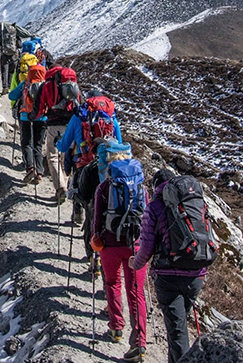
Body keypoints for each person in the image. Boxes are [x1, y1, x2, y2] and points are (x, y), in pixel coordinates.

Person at [129, 169, 209, 363]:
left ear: (156, 186)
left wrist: (136, 263)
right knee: (177, 328)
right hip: (196, 273)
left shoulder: (155, 206)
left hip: (168, 276)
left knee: (177, 332)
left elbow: (146, 246)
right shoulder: (194, 203)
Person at [90, 146, 148, 362]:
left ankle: (116, 327)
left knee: (112, 283)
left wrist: (96, 240)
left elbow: (96, 219)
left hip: (110, 244)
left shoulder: (104, 187)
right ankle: (140, 342)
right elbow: (148, 219)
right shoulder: (142, 188)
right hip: (136, 245)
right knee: (136, 292)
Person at [56, 89, 122, 270]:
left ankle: (92, 255)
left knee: (89, 209)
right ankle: (103, 250)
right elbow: (119, 144)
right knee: (105, 209)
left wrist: (57, 143)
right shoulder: (111, 117)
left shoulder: (80, 116)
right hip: (107, 168)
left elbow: (65, 143)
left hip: (84, 166)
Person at [39, 67, 81, 202]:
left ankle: (60, 187)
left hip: (54, 124)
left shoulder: (48, 86)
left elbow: (40, 105)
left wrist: (35, 117)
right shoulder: (73, 85)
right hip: (72, 124)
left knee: (52, 156)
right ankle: (67, 187)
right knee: (66, 157)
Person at [9, 62, 48, 184]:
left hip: (25, 116)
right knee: (38, 145)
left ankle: (30, 168)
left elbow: (12, 96)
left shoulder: (25, 84)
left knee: (26, 143)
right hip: (41, 118)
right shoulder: (46, 86)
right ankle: (40, 172)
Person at [0, 21, 20, 94]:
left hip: (4, 56)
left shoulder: (1, 36)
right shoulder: (15, 34)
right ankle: (9, 87)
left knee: (4, 72)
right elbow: (20, 45)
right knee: (11, 72)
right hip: (14, 56)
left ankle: (5, 87)